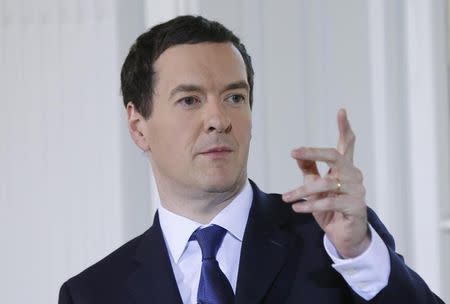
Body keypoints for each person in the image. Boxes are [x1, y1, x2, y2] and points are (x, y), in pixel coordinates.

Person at [58, 15, 444, 304]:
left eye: (234, 98)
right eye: (190, 100)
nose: (219, 120)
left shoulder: (333, 240)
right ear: (139, 127)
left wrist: (360, 253)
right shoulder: (92, 293)